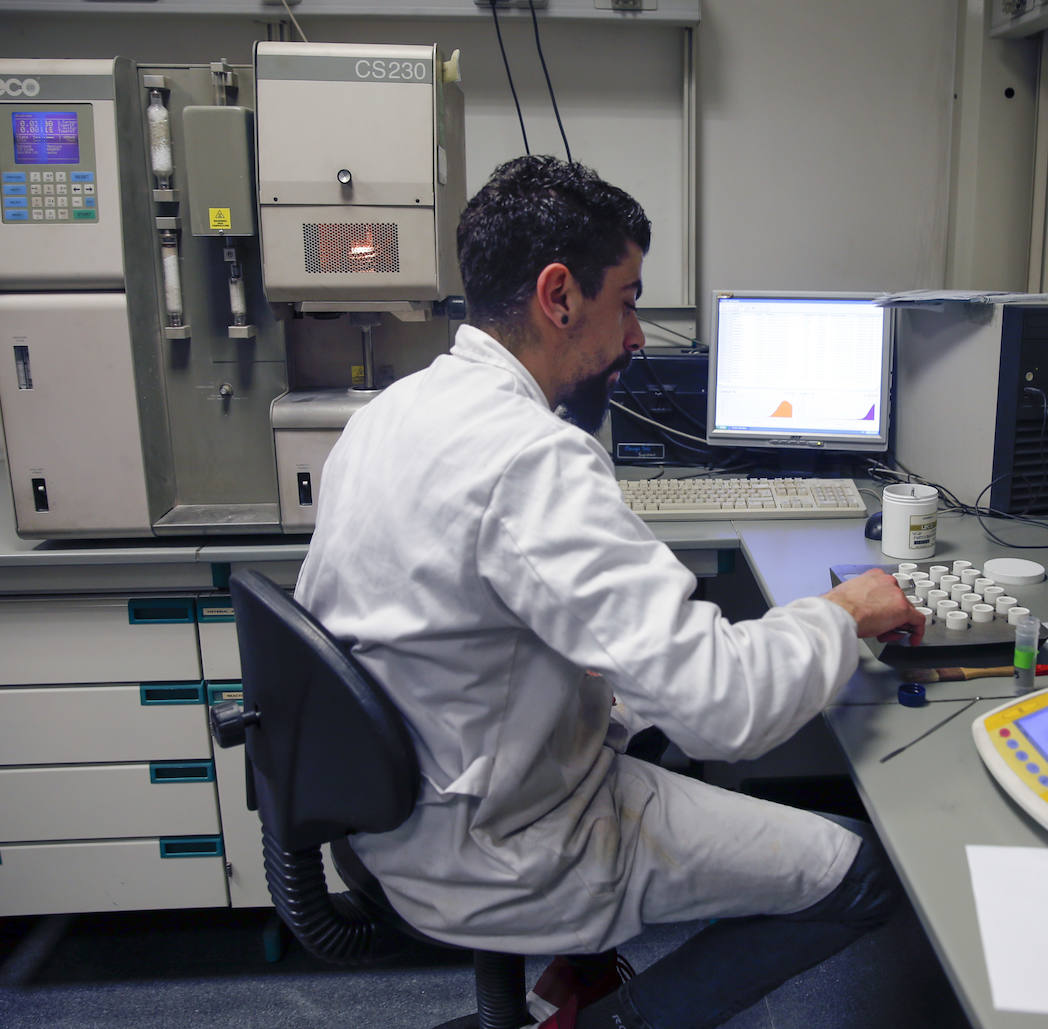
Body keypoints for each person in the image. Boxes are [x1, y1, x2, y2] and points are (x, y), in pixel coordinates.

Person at [294, 155, 925, 1029]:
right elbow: (727, 710)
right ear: (559, 297)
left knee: (643, 714)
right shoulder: (529, 457)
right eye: (627, 300)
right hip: (503, 846)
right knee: (861, 874)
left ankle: (571, 983)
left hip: (405, 808)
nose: (637, 336)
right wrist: (845, 612)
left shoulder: (392, 415)